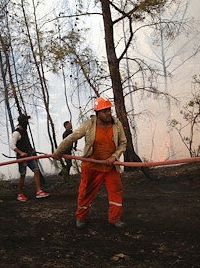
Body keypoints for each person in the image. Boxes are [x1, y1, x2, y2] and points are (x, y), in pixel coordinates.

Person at [53, 97, 127, 228]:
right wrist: (58, 151)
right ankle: (81, 217)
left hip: (110, 167)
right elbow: (72, 137)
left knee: (116, 191)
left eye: (109, 110)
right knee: (85, 192)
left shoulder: (117, 124)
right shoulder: (89, 125)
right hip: (92, 166)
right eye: (105, 111)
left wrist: (114, 157)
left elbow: (123, 143)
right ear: (97, 113)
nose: (108, 113)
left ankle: (115, 219)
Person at [10, 114, 49, 201]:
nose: (27, 123)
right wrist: (21, 153)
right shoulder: (16, 133)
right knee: (23, 175)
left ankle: (39, 191)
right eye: (26, 121)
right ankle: (20, 194)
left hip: (29, 156)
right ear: (22, 122)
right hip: (22, 158)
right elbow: (12, 145)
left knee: (36, 170)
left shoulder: (24, 131)